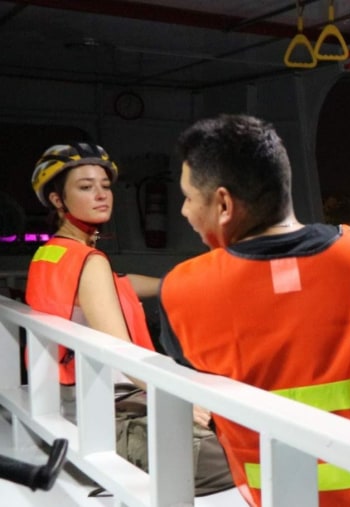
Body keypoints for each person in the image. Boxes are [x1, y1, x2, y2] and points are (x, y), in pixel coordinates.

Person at [157, 114, 350, 507]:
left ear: (224, 204)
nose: (184, 211)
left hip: (280, 497)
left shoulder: (183, 290)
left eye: (189, 197)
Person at [25, 143, 232, 495]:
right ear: (58, 200)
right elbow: (123, 353)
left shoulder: (52, 253)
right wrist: (179, 399)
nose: (102, 195)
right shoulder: (89, 263)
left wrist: (184, 284)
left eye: (105, 186)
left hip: (72, 402)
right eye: (85, 187)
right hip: (107, 414)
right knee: (241, 456)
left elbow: (120, 285)